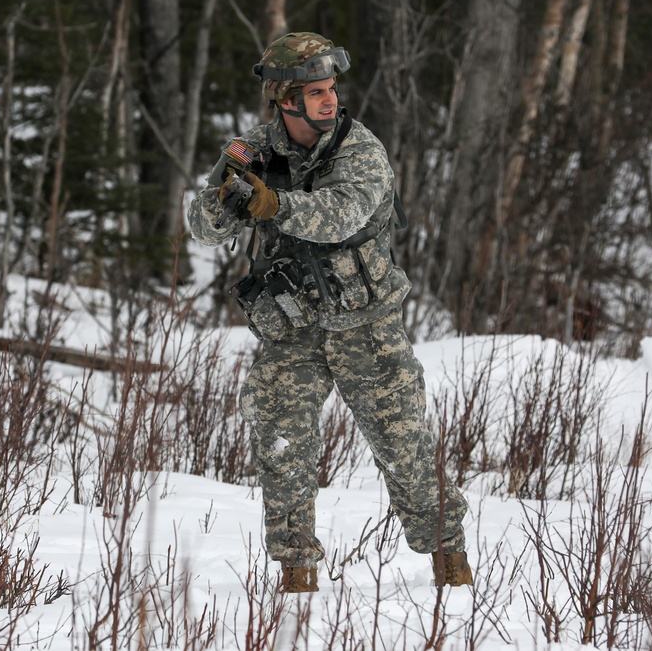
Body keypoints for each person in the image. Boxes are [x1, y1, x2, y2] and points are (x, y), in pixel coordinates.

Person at [188, 32, 472, 593]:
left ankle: (450, 564)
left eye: (331, 89)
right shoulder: (252, 153)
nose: (329, 101)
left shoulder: (359, 149)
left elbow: (339, 216)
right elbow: (200, 228)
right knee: (280, 444)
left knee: (405, 450)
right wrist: (226, 200)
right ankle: (296, 576)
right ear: (284, 98)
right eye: (315, 91)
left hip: (365, 327)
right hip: (291, 328)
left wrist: (271, 204)